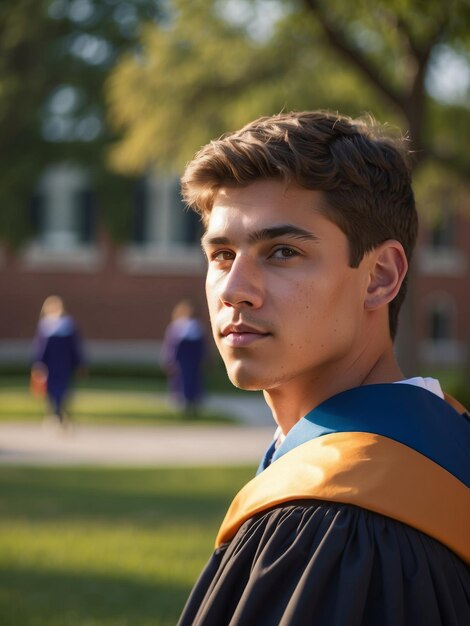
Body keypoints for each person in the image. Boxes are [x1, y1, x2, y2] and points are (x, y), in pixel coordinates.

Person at [176, 111, 470, 625]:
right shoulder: (445, 440)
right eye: (222, 254)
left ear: (380, 276)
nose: (233, 290)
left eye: (282, 252)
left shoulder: (339, 521)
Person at [33, 295, 85, 423]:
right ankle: (56, 411)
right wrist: (39, 364)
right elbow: (41, 348)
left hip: (64, 364)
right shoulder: (45, 325)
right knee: (51, 389)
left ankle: (60, 410)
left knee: (64, 388)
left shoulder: (68, 325)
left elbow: (75, 346)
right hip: (51, 364)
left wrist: (79, 363)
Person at [162, 299, 206, 416]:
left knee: (194, 383)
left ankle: (193, 406)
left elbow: (202, 346)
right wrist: (170, 360)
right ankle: (183, 406)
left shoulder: (197, 326)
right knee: (181, 383)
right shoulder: (176, 326)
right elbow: (171, 346)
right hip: (181, 361)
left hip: (193, 361)